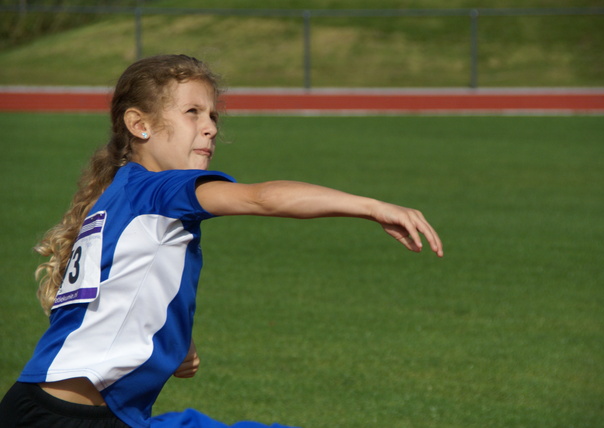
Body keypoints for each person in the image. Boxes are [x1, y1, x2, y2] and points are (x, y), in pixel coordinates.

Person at [0, 54, 443, 428]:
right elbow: (262, 199)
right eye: (192, 112)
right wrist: (372, 207)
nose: (210, 126)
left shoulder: (118, 197)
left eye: (213, 114)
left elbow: (110, 303)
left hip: (56, 408)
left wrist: (172, 345)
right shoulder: (158, 191)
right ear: (139, 125)